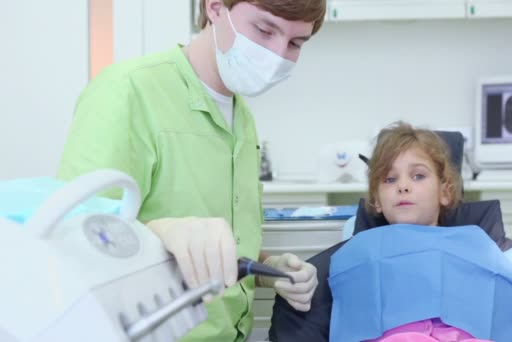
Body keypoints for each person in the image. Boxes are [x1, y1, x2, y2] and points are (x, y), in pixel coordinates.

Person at [57, 0, 326, 340]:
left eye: (295, 43)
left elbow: (218, 245)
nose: (276, 53)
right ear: (214, 7)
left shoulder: (242, 118)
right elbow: (73, 239)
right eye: (264, 29)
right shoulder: (128, 90)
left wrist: (266, 268)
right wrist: (160, 232)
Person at [268, 122, 512, 341]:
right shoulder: (361, 249)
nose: (403, 186)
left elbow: (511, 298)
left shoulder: (476, 241)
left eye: (418, 176)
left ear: (445, 191)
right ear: (376, 199)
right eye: (390, 179)